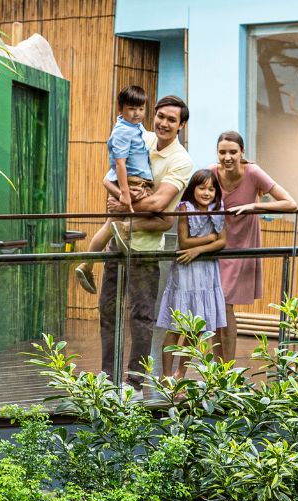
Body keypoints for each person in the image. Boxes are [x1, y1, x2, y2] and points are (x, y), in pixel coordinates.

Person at [98, 95, 193, 389]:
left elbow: (159, 204)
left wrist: (122, 205)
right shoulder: (142, 137)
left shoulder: (181, 161)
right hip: (117, 241)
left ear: (181, 125)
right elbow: (112, 175)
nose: (164, 123)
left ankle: (135, 381)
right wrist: (122, 195)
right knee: (108, 309)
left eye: (171, 120)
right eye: (160, 116)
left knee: (141, 315)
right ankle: (108, 376)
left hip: (146, 248)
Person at [211, 131, 297, 362]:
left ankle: (227, 369)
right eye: (222, 152)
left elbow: (290, 203)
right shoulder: (211, 173)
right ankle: (217, 368)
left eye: (233, 152)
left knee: (225, 303)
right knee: (216, 306)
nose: (227, 157)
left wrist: (254, 207)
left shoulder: (253, 172)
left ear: (242, 152)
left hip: (241, 245)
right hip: (215, 244)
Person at [74, 85, 152, 296]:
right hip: (132, 182)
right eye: (131, 109)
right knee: (147, 218)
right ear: (120, 109)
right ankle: (89, 263)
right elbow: (120, 164)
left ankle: (87, 264)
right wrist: (124, 193)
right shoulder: (123, 131)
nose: (137, 113)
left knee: (109, 226)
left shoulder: (135, 127)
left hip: (130, 181)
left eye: (141, 109)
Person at [154, 169, 227, 380]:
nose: (206, 193)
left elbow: (222, 241)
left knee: (197, 328)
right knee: (177, 327)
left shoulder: (218, 209)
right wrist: (209, 239)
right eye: (202, 188)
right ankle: (166, 375)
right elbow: (184, 242)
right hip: (186, 272)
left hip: (207, 271)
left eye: (211, 189)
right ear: (193, 189)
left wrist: (199, 250)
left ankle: (180, 374)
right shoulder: (185, 208)